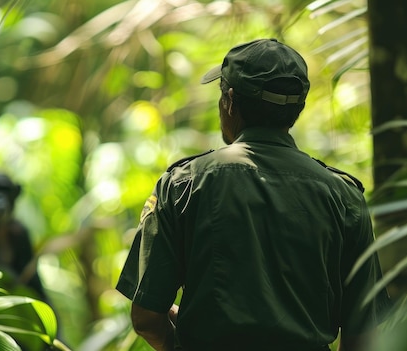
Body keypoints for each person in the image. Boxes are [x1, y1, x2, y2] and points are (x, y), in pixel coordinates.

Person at [115, 38, 391, 351]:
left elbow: (146, 317)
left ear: (230, 101)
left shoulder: (184, 185)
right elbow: (363, 335)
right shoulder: (343, 198)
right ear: (297, 108)